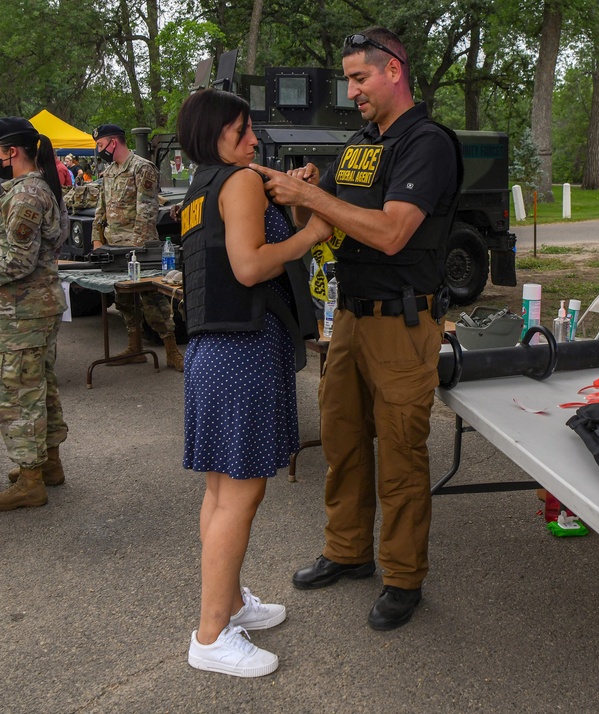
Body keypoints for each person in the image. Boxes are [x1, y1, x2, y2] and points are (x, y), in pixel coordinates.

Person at [253, 27, 463, 631]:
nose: (352, 92)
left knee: (400, 452)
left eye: (360, 78)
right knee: (343, 442)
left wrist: (310, 197)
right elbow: (328, 222)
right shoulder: (361, 142)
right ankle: (347, 552)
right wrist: (307, 195)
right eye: (348, 79)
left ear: (393, 70)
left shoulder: (426, 143)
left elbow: (393, 231)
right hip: (349, 317)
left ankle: (402, 576)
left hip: (403, 320)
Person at [177, 89, 328, 677]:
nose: (253, 140)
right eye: (242, 132)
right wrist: (313, 232)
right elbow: (249, 265)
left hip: (214, 349)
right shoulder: (236, 182)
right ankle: (211, 633)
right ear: (216, 135)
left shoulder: (203, 184)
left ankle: (231, 603)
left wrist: (287, 189)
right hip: (242, 350)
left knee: (221, 491)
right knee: (240, 493)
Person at [0, 117, 69, 511]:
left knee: (18, 393)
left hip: (23, 310)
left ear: (13, 153)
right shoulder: (31, 190)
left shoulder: (25, 195)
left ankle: (31, 480)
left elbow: (18, 260)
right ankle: (48, 465)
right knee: (40, 385)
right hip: (32, 308)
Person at [91, 123, 183, 371]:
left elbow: (147, 211)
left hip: (139, 248)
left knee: (153, 300)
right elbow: (101, 209)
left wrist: (137, 249)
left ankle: (172, 351)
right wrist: (96, 240)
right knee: (123, 300)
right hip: (114, 248)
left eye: (101, 145)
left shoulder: (142, 168)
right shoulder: (109, 172)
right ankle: (135, 347)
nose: (99, 150)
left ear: (114, 142)